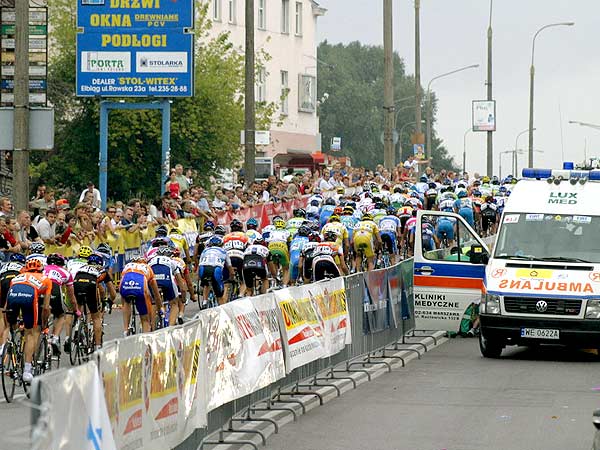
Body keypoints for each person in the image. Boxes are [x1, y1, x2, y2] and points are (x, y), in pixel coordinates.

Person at [5, 258, 52, 383]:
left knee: (11, 324)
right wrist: (44, 322)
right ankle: (26, 370)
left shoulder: (16, 277)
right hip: (30, 296)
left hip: (13, 295)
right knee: (31, 333)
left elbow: (7, 303)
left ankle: (13, 347)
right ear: (41, 269)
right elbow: (46, 308)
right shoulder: (46, 279)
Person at [74, 253, 116, 350]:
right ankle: (98, 347)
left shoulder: (83, 267)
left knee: (79, 306)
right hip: (91, 284)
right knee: (96, 317)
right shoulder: (102, 270)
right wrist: (106, 301)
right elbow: (112, 293)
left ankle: (77, 327)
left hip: (77, 281)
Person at [44, 253, 79, 355]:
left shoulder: (43, 269)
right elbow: (71, 296)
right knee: (61, 315)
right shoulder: (66, 272)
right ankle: (54, 338)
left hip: (41, 287)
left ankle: (42, 333)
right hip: (54, 288)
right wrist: (75, 310)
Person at [120, 255, 161, 334]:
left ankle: (126, 329)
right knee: (145, 320)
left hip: (125, 286)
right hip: (140, 288)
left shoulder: (127, 266)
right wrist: (160, 307)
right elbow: (156, 294)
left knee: (125, 301)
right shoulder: (148, 268)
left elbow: (122, 283)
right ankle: (146, 339)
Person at [148, 246, 187, 327]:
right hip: (166, 280)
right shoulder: (171, 261)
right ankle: (170, 328)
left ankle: (152, 327)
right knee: (174, 303)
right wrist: (183, 298)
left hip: (153, 281)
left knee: (154, 302)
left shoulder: (151, 261)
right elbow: (180, 282)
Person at [0, 253, 26, 364]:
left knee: (5, 321)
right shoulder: (23, 267)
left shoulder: (5, 266)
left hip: (3, 282)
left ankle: (2, 350)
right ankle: (19, 330)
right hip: (16, 283)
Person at [198, 236, 233, 308]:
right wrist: (231, 278)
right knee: (219, 296)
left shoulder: (205, 250)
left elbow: (200, 264)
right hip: (215, 270)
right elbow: (230, 267)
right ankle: (222, 311)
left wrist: (199, 279)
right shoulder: (224, 251)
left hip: (203, 269)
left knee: (206, 284)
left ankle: (204, 301)